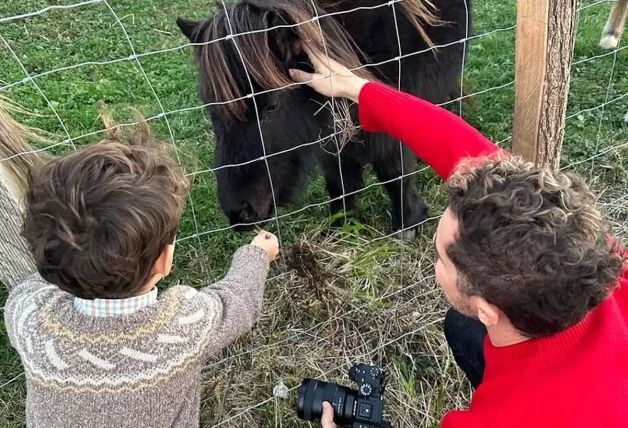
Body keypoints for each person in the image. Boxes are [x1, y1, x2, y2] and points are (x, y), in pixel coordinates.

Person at [290, 46, 628, 427]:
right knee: (461, 324)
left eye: (440, 259)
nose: (434, 264)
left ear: (488, 309)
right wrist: (359, 89)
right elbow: (460, 147)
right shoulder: (589, 254)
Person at [3, 118, 279, 428]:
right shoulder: (184, 326)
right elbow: (237, 301)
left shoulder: (28, 318)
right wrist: (256, 255)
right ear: (164, 261)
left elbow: (30, 288)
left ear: (48, 262)